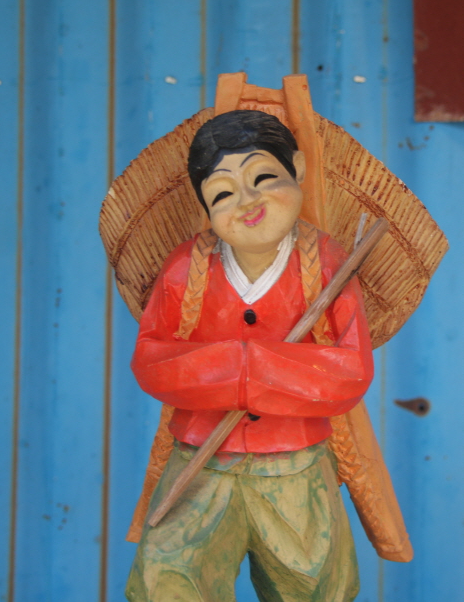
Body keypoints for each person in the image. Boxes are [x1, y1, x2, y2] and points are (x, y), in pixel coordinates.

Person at [125, 109, 372, 601]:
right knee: (166, 581)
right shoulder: (184, 269)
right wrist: (236, 366)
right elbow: (151, 360)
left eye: (263, 177)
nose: (248, 202)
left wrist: (255, 368)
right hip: (201, 460)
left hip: (295, 465)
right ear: (203, 206)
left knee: (316, 584)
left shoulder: (327, 265)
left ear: (297, 169)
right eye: (222, 193)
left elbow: (350, 371)